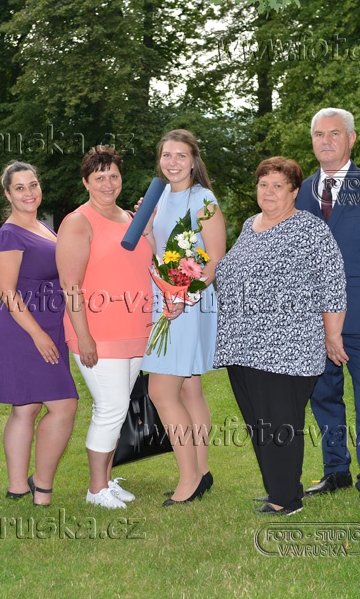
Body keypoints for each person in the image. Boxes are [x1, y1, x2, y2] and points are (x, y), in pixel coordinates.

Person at [214, 156, 346, 515]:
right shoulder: (249, 225)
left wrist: (333, 334)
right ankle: (280, 486)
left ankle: (285, 499)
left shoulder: (310, 229)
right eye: (263, 184)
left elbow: (333, 284)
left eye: (278, 186)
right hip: (241, 345)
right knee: (259, 422)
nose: (268, 192)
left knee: (278, 423)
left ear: (294, 191)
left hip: (287, 346)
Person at [299, 107, 360, 513]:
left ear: (351, 139)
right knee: (323, 397)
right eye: (319, 134)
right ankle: (336, 469)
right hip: (313, 319)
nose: (326, 141)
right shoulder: (302, 191)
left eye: (334, 134)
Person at [56, 146, 152, 509]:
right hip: (97, 332)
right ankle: (96, 490)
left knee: (119, 407)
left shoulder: (131, 218)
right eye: (99, 177)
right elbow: (71, 286)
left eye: (113, 175)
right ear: (86, 182)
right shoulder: (78, 222)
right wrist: (84, 336)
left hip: (135, 328)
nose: (108, 183)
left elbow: (145, 266)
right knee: (110, 407)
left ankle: (107, 481)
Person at [139, 130, 226, 506]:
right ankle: (201, 472)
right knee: (189, 388)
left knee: (161, 391)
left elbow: (216, 258)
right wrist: (146, 225)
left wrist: (185, 296)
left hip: (191, 302)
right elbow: (154, 251)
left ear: (193, 161)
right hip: (165, 298)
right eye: (166, 155)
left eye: (180, 155)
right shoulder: (157, 196)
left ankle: (188, 480)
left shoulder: (203, 199)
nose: (172, 162)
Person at [0, 161, 78, 506]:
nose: (29, 193)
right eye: (20, 188)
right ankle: (41, 486)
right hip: (23, 328)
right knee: (64, 405)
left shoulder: (43, 227)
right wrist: (38, 334)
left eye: (33, 185)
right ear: (8, 194)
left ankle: (17, 487)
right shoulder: (9, 235)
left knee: (26, 408)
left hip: (49, 324)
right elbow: (7, 293)